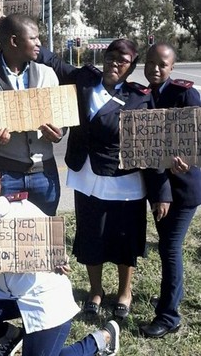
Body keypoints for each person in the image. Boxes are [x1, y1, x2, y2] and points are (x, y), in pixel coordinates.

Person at [36, 39, 172, 319]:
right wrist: (33, 45)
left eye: (122, 61)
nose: (114, 63)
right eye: (110, 57)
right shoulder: (85, 78)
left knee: (125, 241)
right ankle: (95, 291)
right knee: (90, 238)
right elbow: (55, 63)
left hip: (124, 181)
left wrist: (161, 191)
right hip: (87, 177)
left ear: (131, 67)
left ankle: (125, 291)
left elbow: (151, 148)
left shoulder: (140, 97)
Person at [0, 159, 120, 356]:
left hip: (41, 295)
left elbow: (52, 245)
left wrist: (58, 257)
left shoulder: (21, 210)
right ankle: (13, 335)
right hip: (1, 292)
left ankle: (100, 340)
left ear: (0, 188)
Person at [0, 13, 65, 216]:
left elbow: (61, 117)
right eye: (33, 38)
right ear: (14, 41)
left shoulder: (47, 73)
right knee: (4, 238)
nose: (39, 43)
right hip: (4, 175)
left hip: (44, 174)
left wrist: (59, 132)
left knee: (44, 237)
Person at [139, 42, 201, 338]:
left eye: (161, 64)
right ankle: (170, 300)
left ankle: (169, 316)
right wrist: (158, 193)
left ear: (172, 67)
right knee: (167, 247)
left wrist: (187, 160)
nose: (155, 68)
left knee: (169, 249)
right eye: (150, 62)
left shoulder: (184, 93)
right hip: (160, 190)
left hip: (183, 190)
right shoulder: (145, 96)